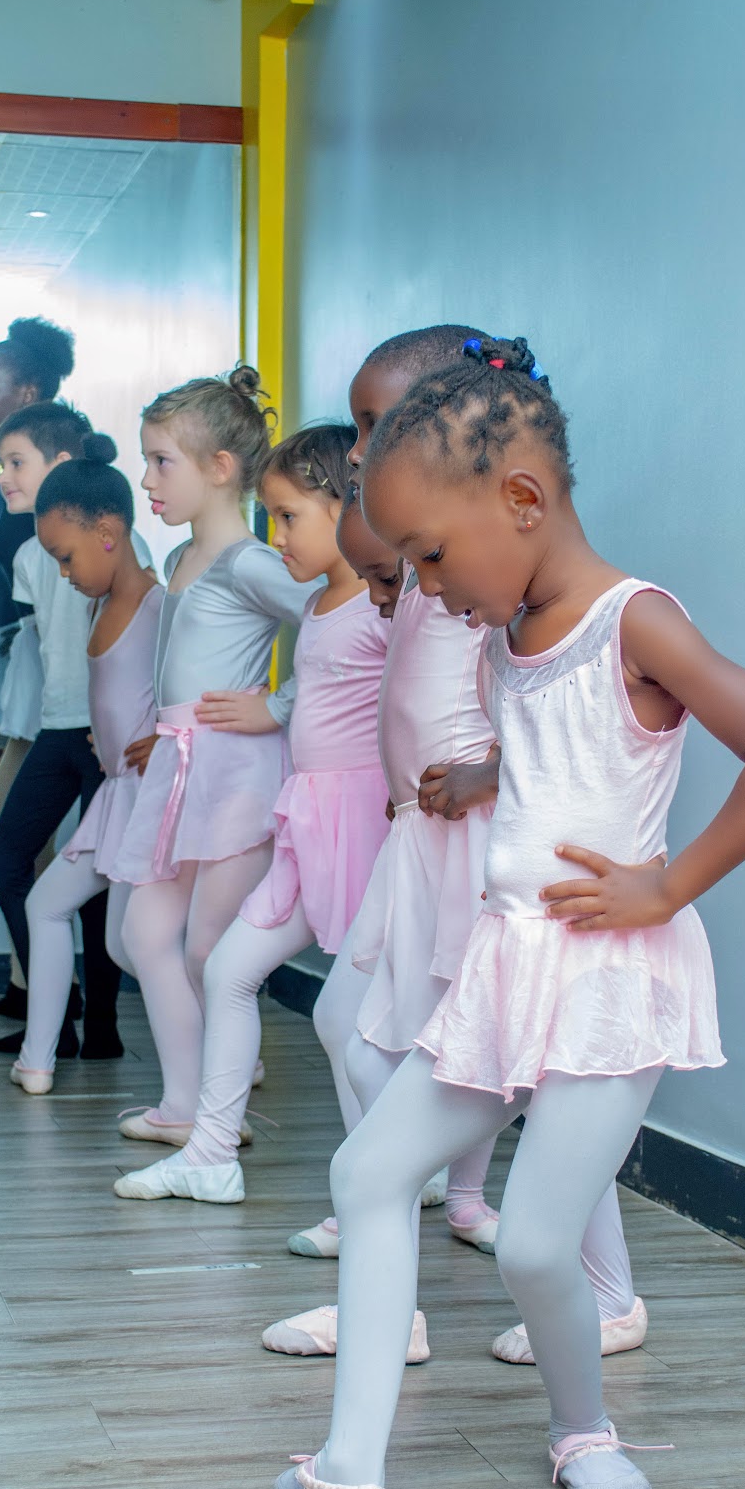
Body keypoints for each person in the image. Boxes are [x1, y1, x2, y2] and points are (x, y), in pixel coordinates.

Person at [272, 333, 745, 1489]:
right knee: (368, 1173)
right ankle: (345, 1468)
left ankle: (583, 1431)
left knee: (533, 1239)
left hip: (607, 978)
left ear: (519, 500)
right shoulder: (503, 629)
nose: (421, 585)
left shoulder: (638, 621)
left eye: (427, 555)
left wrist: (666, 883)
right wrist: (481, 773)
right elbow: (555, 758)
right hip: (507, 960)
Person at [265, 330, 644, 1370]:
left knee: (542, 1064)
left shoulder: (476, 545)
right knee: (351, 1020)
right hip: (418, 831)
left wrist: (486, 775)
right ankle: (385, 1270)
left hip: (475, 832)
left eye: (373, 424)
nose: (361, 447)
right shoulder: (410, 542)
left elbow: (547, 696)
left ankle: (601, 1292)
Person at [113, 423, 390, 1203]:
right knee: (228, 967)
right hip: (301, 812)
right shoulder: (334, 599)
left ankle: (394, 1180)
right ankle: (208, 1152)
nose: (277, 536)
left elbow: (407, 704)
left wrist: (270, 705)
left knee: (357, 1007)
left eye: (290, 517)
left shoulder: (371, 604)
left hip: (353, 819)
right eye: (270, 517)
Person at [107, 366, 313, 1154]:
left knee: (205, 947)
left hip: (231, 770)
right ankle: (183, 1103)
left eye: (161, 461)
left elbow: (342, 628)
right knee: (145, 936)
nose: (147, 479)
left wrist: (279, 705)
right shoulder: (180, 564)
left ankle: (218, 1116)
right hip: (179, 765)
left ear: (220, 470)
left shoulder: (251, 564)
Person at [0, 405, 140, 1062]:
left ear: (60, 463)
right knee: (3, 863)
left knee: (98, 881)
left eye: (15, 461)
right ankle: (61, 998)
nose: (1, 477)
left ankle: (100, 1027)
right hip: (57, 731)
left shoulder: (114, 538)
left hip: (107, 737)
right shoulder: (26, 555)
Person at [7, 441, 163, 1095]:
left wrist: (169, 735)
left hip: (148, 806)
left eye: (65, 558)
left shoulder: (162, 606)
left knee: (137, 945)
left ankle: (217, 1075)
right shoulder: (100, 607)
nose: (62, 574)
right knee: (46, 904)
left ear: (109, 533)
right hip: (114, 801)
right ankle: (37, 1061)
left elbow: (188, 691)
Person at [0, 318, 77, 743]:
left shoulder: (50, 483)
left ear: (27, 393)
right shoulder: (9, 486)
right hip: (33, 662)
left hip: (59, 674)